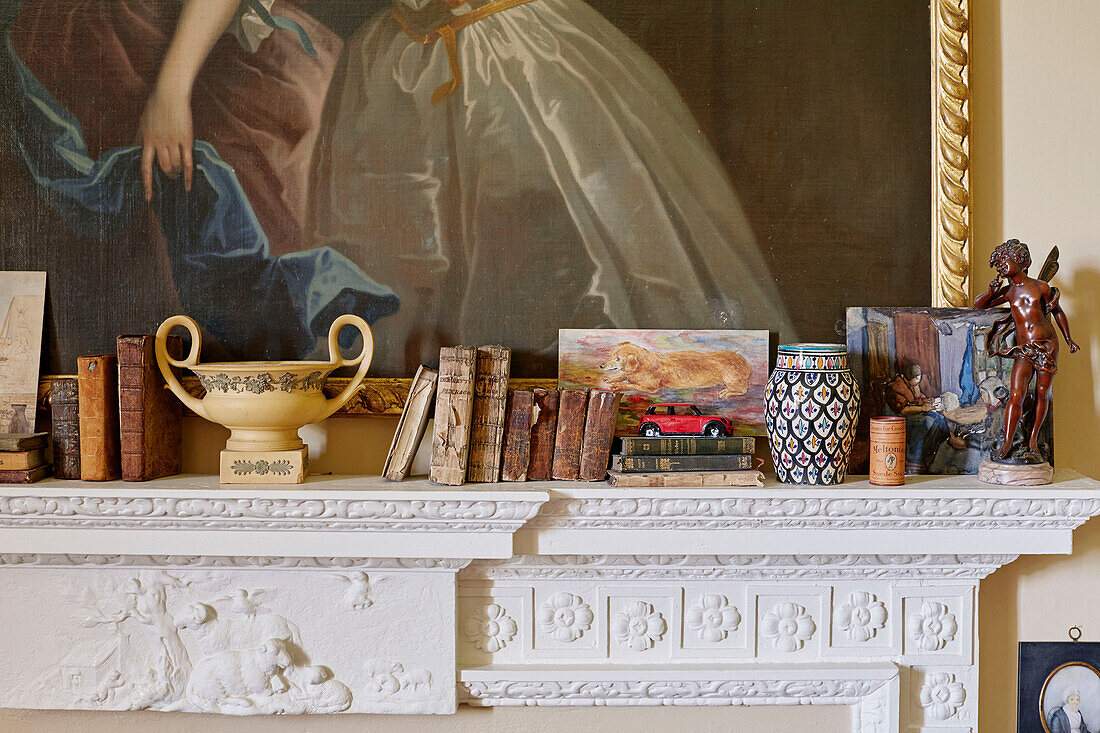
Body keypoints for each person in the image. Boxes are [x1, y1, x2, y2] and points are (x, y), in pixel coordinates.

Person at [306, 0, 795, 374]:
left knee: (569, 233)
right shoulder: (377, 52)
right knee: (406, 245)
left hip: (522, 53)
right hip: (402, 62)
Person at [974, 239, 1079, 461]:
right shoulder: (1008, 292)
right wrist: (991, 293)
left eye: (1005, 261)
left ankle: (1032, 441)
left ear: (1020, 261)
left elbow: (1057, 312)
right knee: (1016, 394)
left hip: (1048, 345)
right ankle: (1008, 443)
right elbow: (979, 305)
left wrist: (1069, 339)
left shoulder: (1040, 286)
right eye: (999, 263)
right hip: (1024, 349)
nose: (1001, 266)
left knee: (1042, 393)